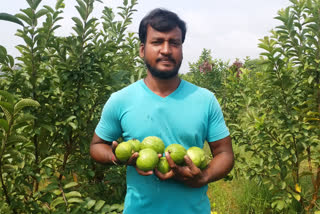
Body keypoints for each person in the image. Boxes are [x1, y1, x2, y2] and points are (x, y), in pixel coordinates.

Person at [90, 8, 234, 214]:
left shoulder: (205, 100)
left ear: (182, 49)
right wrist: (116, 156)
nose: (166, 50)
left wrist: (204, 176)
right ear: (142, 49)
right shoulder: (120, 100)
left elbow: (225, 153)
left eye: (174, 43)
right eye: (157, 42)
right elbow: (97, 146)